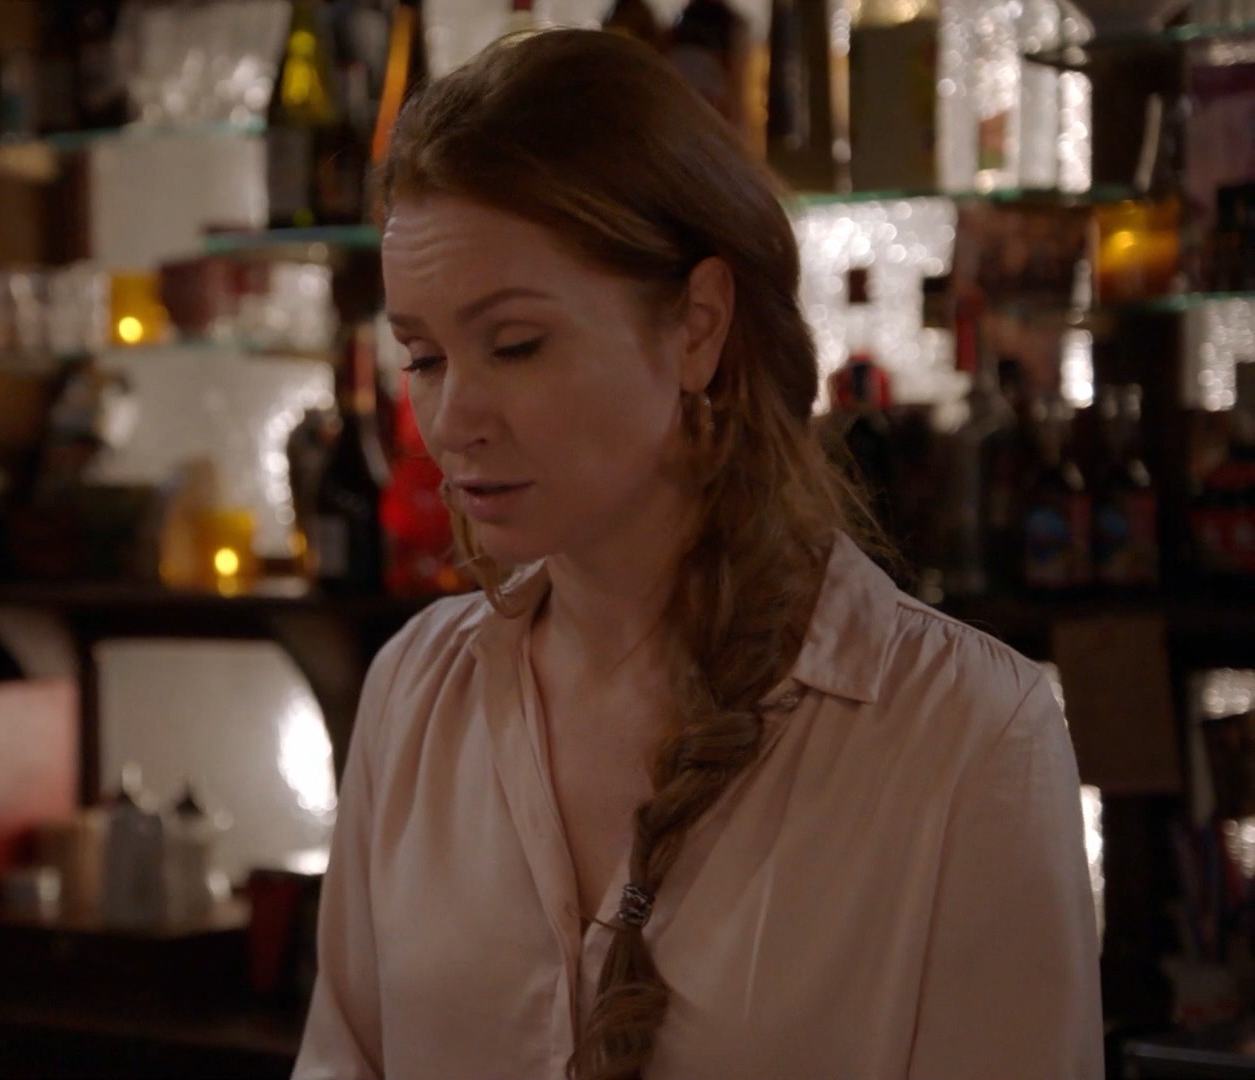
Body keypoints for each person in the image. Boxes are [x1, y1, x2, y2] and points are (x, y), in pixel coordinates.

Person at [293, 27, 1102, 1080]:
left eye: (516, 345)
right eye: (425, 357)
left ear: (697, 325)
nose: (452, 420)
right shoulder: (416, 695)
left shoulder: (963, 734)